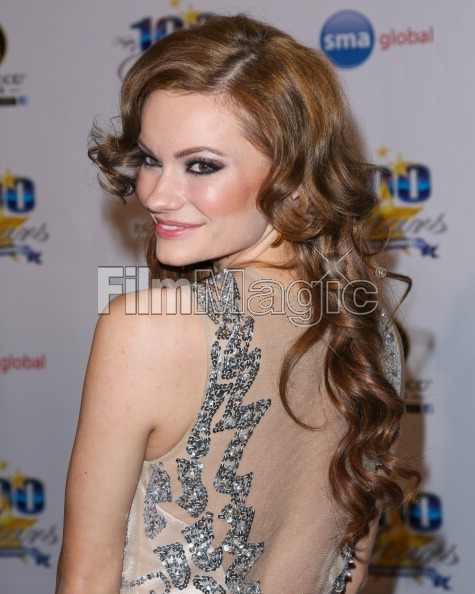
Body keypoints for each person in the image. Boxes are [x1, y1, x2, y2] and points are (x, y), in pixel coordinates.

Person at [55, 13, 420, 594]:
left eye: (202, 165)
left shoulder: (146, 329)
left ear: (295, 176)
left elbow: (86, 578)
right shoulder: (366, 328)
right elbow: (352, 564)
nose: (155, 193)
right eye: (150, 158)